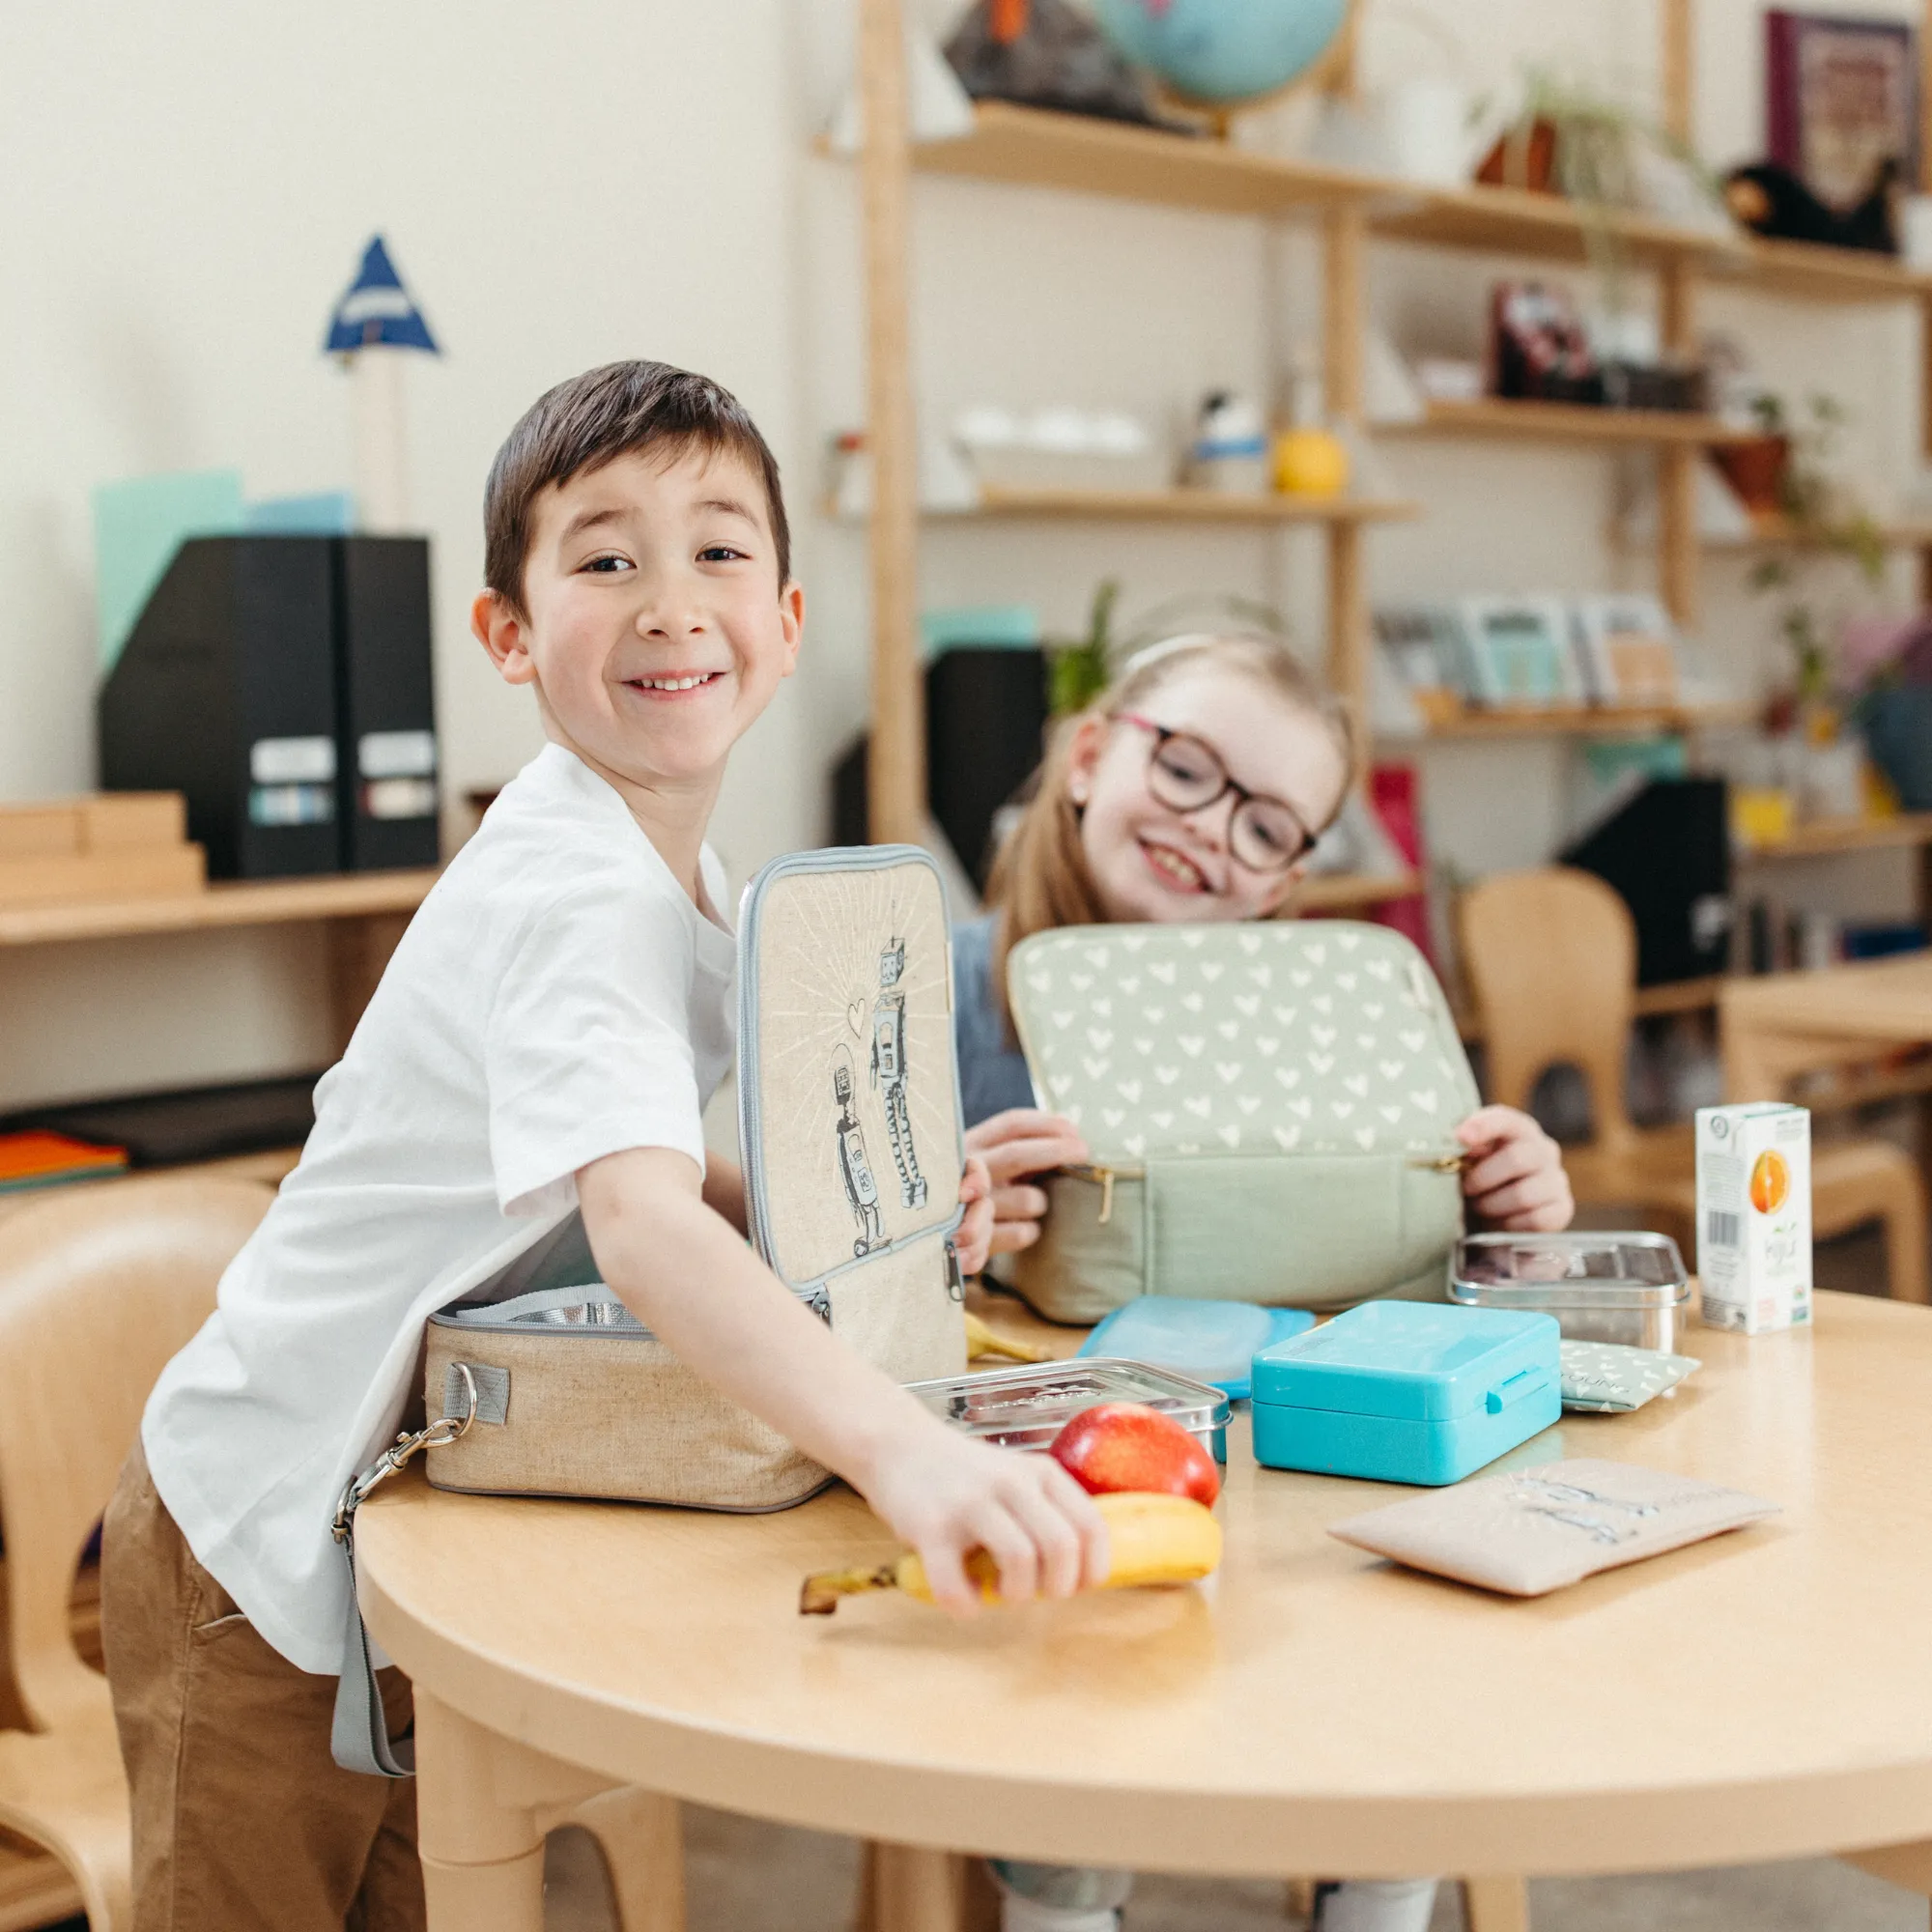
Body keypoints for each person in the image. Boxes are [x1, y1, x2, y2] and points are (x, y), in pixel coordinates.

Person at [101, 359, 1107, 1932]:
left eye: (715, 549)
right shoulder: (573, 890)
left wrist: (817, 1214)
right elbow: (637, 1226)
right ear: (508, 633)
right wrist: (907, 1449)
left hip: (374, 1515)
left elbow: (620, 1172)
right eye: (604, 556)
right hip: (251, 1529)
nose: (668, 603)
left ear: (782, 618)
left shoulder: (661, 871)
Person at [952, 632, 1575, 1932]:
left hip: (1312, 1469)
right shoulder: (935, 995)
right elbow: (831, 1280)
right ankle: (1060, 1906)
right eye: (1185, 769)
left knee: (1410, 1624)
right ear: (1088, 753)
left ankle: (1383, 1890)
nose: (1210, 833)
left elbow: (1405, 1256)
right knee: (1067, 1697)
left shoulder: (1334, 1009)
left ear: (1288, 882)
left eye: (1269, 826)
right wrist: (931, 1227)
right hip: (1040, 1474)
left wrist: (1501, 1214)